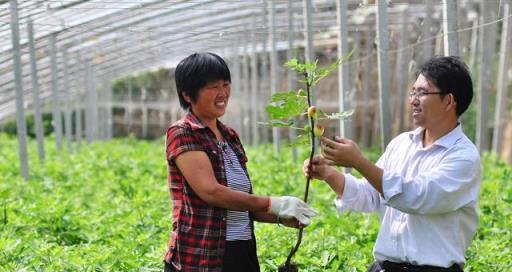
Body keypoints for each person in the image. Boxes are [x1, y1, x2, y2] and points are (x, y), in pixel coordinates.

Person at [304, 56, 480, 272]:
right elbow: (369, 195)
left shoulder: (463, 157)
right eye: (412, 92)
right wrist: (328, 174)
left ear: (448, 101)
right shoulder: (401, 144)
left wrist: (359, 162)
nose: (413, 100)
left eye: (422, 93)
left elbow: (415, 197)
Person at [164, 52, 317, 272]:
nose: (223, 93)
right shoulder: (184, 133)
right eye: (212, 87)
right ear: (188, 95)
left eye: (226, 84)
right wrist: (273, 203)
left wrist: (281, 217)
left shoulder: (230, 136)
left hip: (241, 252)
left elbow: (242, 204)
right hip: (201, 256)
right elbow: (211, 192)